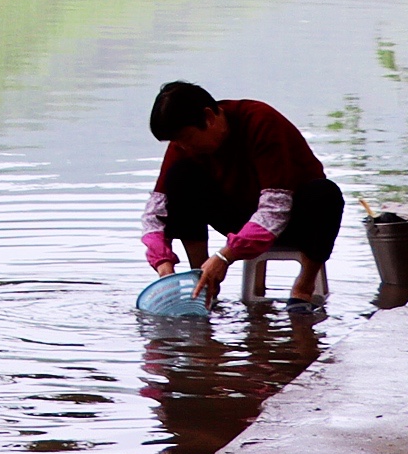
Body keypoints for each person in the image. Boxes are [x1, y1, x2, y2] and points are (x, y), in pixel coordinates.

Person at [140, 82, 343, 306]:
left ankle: (303, 288)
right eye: (177, 142)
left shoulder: (260, 121)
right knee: (180, 176)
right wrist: (162, 262)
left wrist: (225, 256)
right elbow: (156, 211)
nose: (183, 147)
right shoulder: (183, 147)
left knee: (325, 194)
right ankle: (202, 279)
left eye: (187, 138)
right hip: (241, 216)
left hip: (296, 218)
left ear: (208, 118)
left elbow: (275, 209)